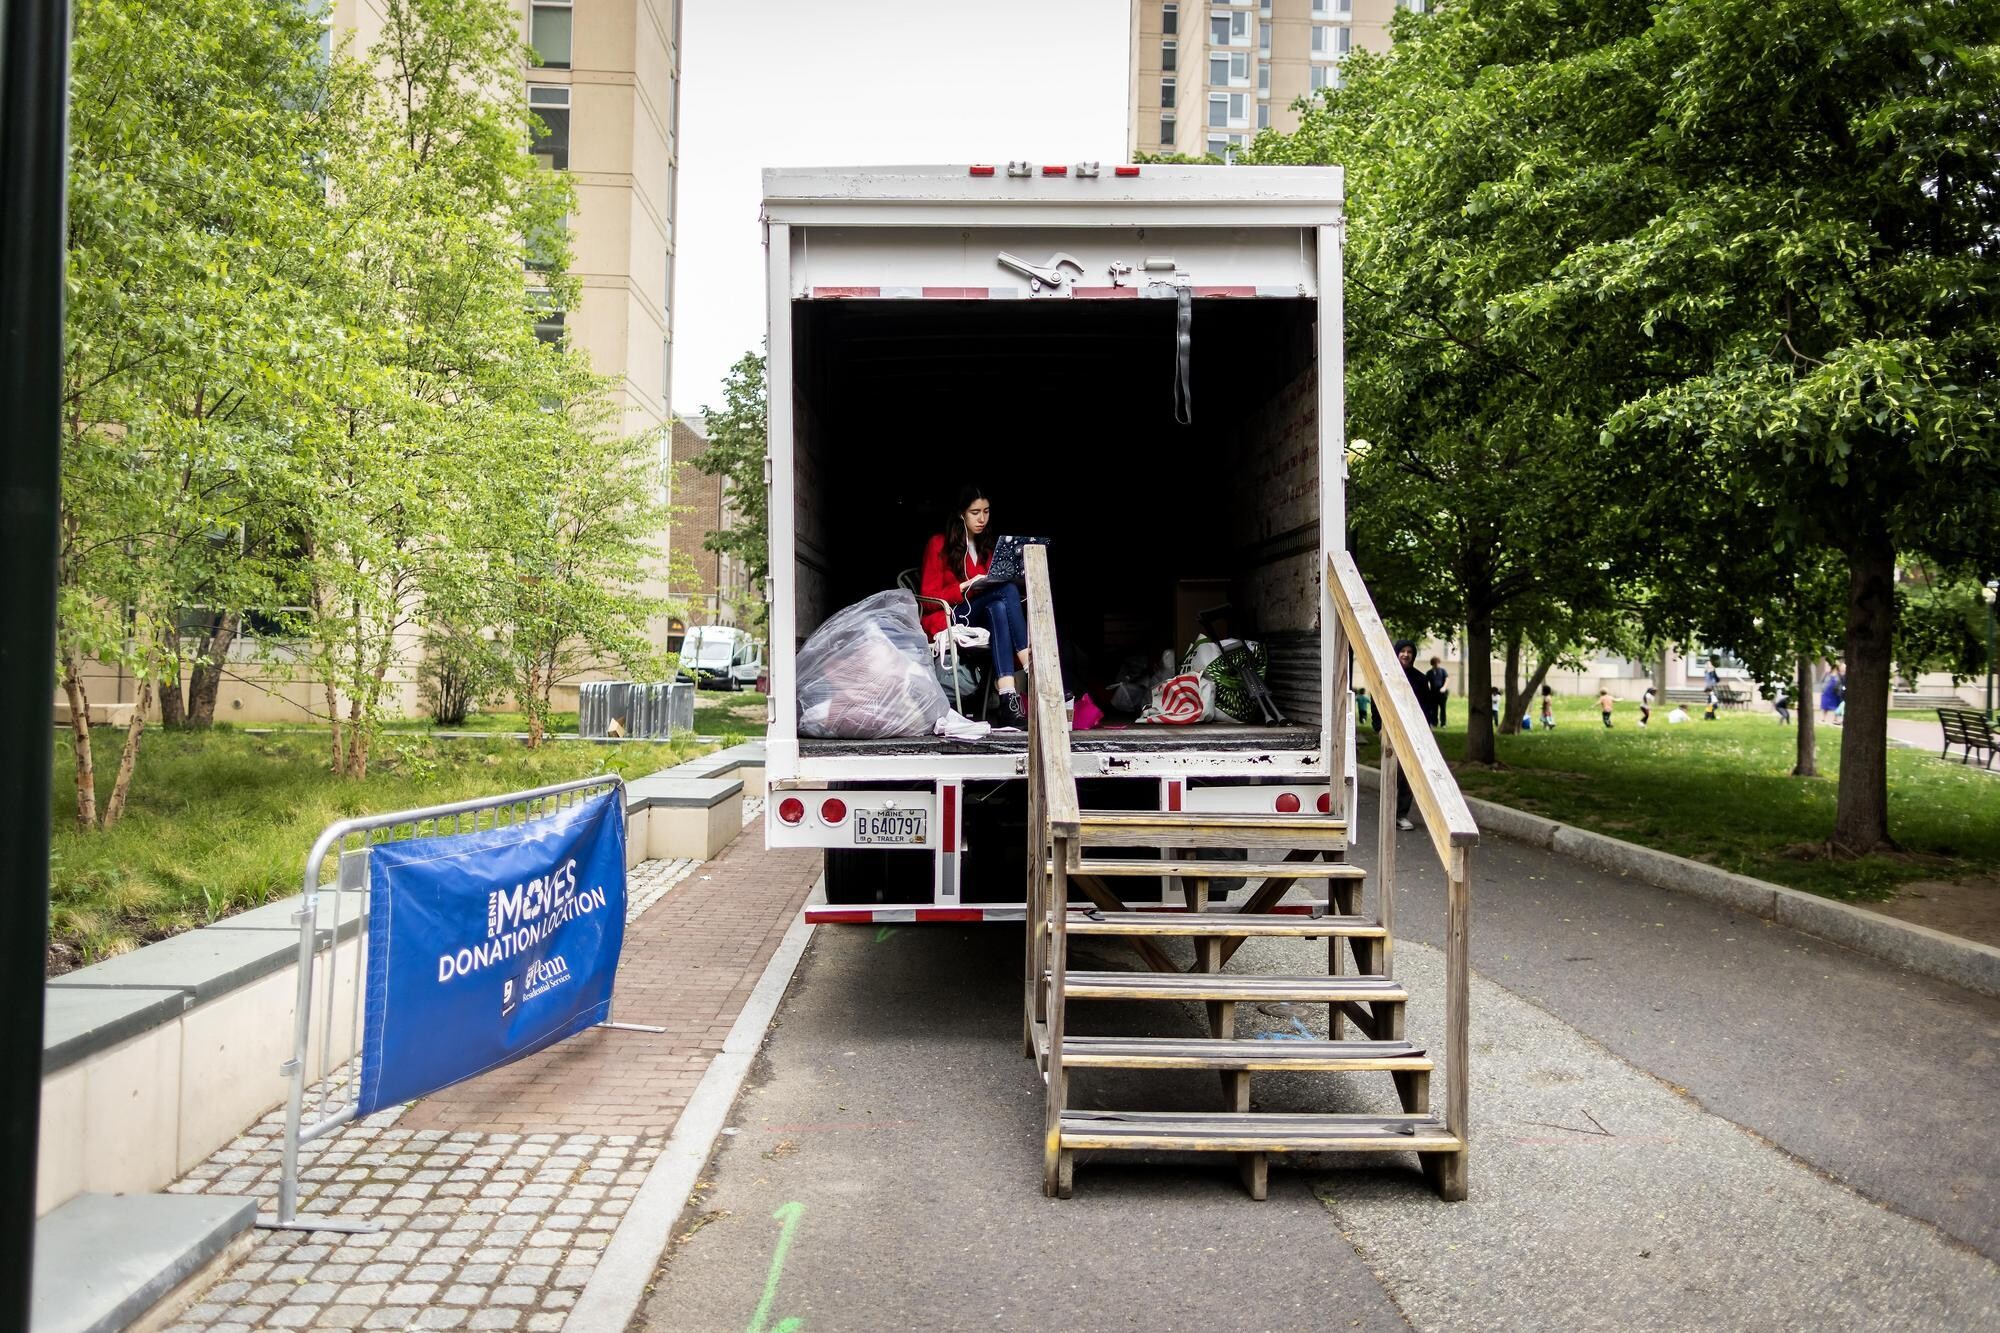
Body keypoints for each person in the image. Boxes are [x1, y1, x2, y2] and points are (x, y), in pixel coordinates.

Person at [920, 485, 1031, 727]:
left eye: (987, 511)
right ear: (961, 514)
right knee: (1007, 591)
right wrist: (963, 587)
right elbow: (928, 598)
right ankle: (1030, 665)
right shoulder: (938, 544)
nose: (982, 518)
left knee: (999, 607)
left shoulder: (986, 548)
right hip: (953, 615)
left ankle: (1007, 700)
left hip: (981, 615)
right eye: (975, 512)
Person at [1375, 639, 1441, 831]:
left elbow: (1426, 707)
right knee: (1391, 773)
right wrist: (1378, 726)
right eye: (1402, 651)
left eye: (1409, 651)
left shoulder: (1421, 680)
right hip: (1391, 730)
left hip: (1413, 733)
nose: (1406, 654)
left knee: (1408, 775)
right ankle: (1388, 814)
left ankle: (1401, 814)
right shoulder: (1386, 676)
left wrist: (1425, 731)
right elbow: (1377, 702)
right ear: (1396, 654)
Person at [1427, 656, 1450, 727]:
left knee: (1443, 708)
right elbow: (1426, 681)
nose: (1436, 664)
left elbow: (1447, 679)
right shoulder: (1429, 672)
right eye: (1434, 663)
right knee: (1434, 709)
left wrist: (1444, 687)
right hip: (1433, 693)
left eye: (1437, 663)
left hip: (1442, 693)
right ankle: (1434, 723)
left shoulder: (1443, 671)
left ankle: (1443, 723)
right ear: (1432, 664)